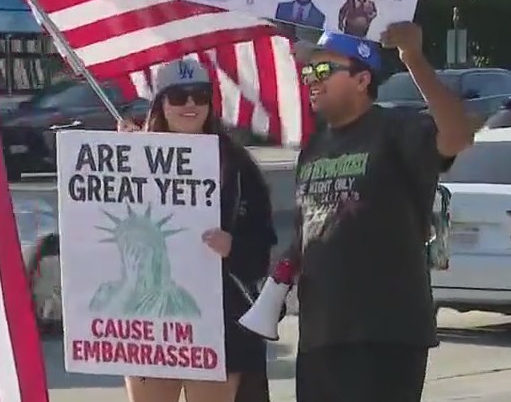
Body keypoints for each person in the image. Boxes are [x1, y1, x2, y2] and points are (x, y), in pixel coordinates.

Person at [288, 25, 474, 402]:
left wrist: (414, 60)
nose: (312, 79)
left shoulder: (396, 128)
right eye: (309, 72)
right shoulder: (314, 148)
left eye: (324, 71)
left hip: (384, 334)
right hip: (320, 336)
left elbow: (457, 136)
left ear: (362, 79)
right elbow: (309, 230)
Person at [120, 58, 277, 402]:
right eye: (178, 96)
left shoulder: (237, 166)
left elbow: (262, 245)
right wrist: (123, 157)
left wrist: (232, 246)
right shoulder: (131, 158)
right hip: (150, 318)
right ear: (161, 103)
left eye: (200, 95)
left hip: (220, 317)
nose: (190, 104)